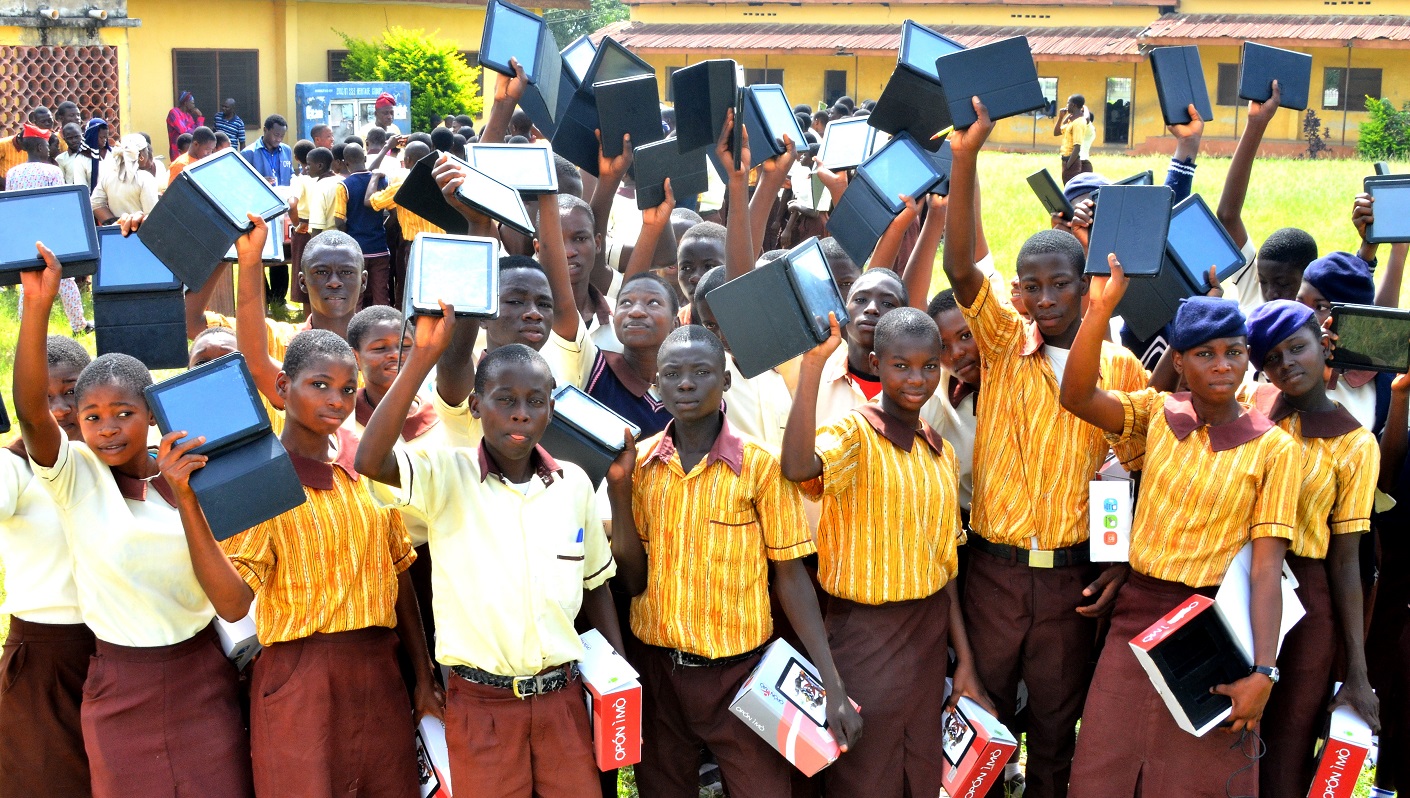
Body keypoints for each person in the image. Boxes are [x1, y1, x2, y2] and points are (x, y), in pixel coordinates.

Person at [942, 97, 1148, 798]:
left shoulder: (1119, 369)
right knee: (981, 727)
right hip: (993, 575)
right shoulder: (1002, 344)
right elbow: (963, 269)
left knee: (1060, 732)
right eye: (1032, 287)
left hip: (1071, 581)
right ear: (1020, 296)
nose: (1046, 297)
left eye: (1061, 283)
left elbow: (1129, 473)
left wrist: (1117, 563)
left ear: (1085, 281)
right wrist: (964, 159)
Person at [354, 309, 629, 798]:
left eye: (535, 402)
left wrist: (619, 678)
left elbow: (595, 586)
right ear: (477, 406)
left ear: (551, 411)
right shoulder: (446, 475)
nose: (520, 413)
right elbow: (370, 460)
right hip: (482, 705)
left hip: (560, 698)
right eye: (505, 400)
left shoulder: (575, 485)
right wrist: (421, 360)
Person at [13, 244, 253, 798]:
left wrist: (186, 496)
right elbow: (30, 413)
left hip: (201, 679)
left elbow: (235, 604)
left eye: (124, 413)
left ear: (152, 411)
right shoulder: (73, 476)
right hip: (119, 684)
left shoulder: (192, 468)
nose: (108, 429)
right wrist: (37, 306)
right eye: (91, 416)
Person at [1061, 270, 1299, 797]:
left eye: (1234, 352)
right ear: (1180, 362)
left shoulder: (1275, 450)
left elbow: (1266, 567)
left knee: (1196, 777)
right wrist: (1097, 313)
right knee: (1105, 763)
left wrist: (1264, 670)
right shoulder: (1155, 415)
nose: (1222, 366)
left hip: (1213, 626)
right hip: (1137, 613)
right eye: (1205, 354)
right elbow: (1076, 395)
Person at [615, 324, 863, 796]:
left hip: (742, 675)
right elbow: (631, 579)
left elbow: (790, 576)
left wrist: (831, 682)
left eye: (701, 372)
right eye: (672, 374)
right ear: (656, 385)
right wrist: (620, 491)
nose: (686, 383)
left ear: (726, 381)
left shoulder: (762, 467)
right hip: (661, 671)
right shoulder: (639, 465)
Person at [781, 308, 989, 797]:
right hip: (865, 636)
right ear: (876, 364)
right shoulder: (856, 435)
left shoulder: (938, 450)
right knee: (864, 771)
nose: (916, 379)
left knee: (917, 768)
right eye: (900, 366)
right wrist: (812, 369)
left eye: (928, 366)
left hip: (927, 634)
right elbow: (796, 467)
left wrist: (965, 661)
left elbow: (947, 569)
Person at [1240, 300, 1380, 798]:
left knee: (1288, 739)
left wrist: (1356, 675)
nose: (1287, 364)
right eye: (1273, 358)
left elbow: (1347, 561)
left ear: (1326, 344)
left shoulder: (1357, 446)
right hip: (1240, 584)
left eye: (1297, 348)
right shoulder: (1254, 406)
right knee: (1230, 729)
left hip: (1309, 598)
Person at [0, 336, 95, 798]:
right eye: (43, 398)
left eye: (71, 392)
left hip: (120, 646)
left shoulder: (119, 457)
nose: (59, 409)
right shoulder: (14, 467)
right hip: (44, 652)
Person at [10, 125, 91, 336]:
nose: (50, 150)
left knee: (27, 278)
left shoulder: (12, 173)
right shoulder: (52, 171)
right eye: (47, 145)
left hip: (24, 234)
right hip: (49, 233)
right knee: (64, 278)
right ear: (38, 146)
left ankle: (24, 325)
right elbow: (59, 204)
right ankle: (79, 325)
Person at [330, 143, 392, 307]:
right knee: (381, 293)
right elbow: (393, 213)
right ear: (364, 158)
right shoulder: (381, 180)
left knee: (356, 295)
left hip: (356, 249)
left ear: (346, 163)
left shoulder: (343, 186)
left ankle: (354, 330)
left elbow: (339, 221)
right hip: (379, 247)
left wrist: (349, 235)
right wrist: (382, 227)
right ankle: (384, 329)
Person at [91, 134, 159, 223]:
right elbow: (151, 215)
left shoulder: (108, 176)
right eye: (146, 150)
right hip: (138, 234)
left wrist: (115, 224)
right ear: (141, 156)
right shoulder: (145, 178)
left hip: (116, 235)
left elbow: (95, 204)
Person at [1054, 94, 1092, 184]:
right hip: (1066, 159)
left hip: (1071, 161)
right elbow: (1056, 132)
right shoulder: (1072, 121)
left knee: (1071, 191)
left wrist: (1068, 165)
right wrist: (1060, 117)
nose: (1066, 106)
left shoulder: (1078, 123)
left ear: (1073, 105)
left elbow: (1077, 147)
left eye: (1068, 103)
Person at [166, 90, 204, 160]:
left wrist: (200, 117)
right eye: (192, 103)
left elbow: (198, 131)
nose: (194, 106)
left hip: (189, 150)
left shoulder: (188, 116)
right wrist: (193, 130)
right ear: (186, 103)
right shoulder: (174, 113)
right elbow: (184, 131)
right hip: (177, 150)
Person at [55, 122, 89, 187]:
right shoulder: (61, 159)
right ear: (64, 140)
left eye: (76, 137)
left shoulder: (91, 155)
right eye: (69, 138)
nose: (74, 140)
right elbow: (61, 182)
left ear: (82, 136)